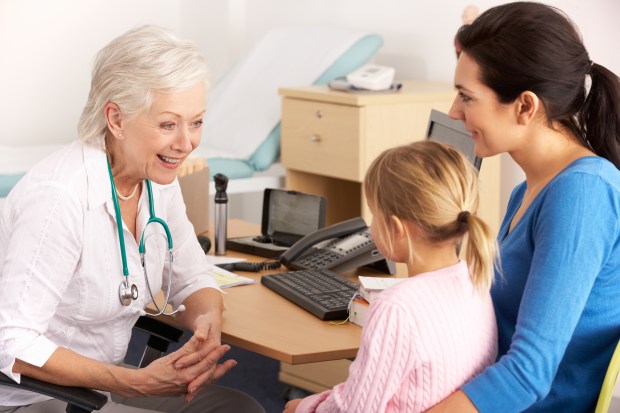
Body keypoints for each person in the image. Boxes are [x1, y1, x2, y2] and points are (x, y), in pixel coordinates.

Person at [0, 25, 265, 413]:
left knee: (238, 408)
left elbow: (192, 278)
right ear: (116, 119)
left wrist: (208, 320)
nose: (186, 143)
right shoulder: (60, 199)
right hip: (39, 397)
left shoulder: (157, 182)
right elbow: (13, 341)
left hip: (105, 383)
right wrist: (136, 382)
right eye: (169, 124)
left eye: (196, 122)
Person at [427, 2, 620, 412]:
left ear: (525, 106)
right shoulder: (530, 189)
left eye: (466, 97)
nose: (453, 112)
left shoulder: (582, 195)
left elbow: (528, 374)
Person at [284, 140, 499, 413]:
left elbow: (358, 409)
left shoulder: (397, 307)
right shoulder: (476, 278)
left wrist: (303, 408)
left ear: (396, 228)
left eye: (374, 215)